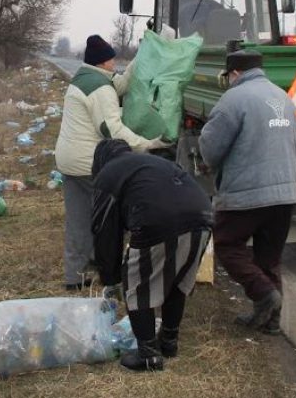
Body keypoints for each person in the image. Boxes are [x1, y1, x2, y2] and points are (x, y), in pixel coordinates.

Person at [198, 50, 296, 334]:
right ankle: (271, 321)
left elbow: (211, 147)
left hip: (246, 193)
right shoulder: (283, 97)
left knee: (228, 245)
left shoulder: (234, 99)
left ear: (235, 73)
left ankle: (264, 294)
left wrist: (210, 164)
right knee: (269, 257)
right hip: (285, 192)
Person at [90, 139, 213, 372]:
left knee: (137, 284)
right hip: (203, 216)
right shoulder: (149, 162)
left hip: (159, 221)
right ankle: (169, 342)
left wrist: (111, 276)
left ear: (99, 161)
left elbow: (104, 231)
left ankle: (148, 354)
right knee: (176, 279)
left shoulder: (107, 175)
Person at [54, 35, 165, 290]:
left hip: (69, 160)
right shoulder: (100, 89)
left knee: (80, 218)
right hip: (88, 164)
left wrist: (144, 51)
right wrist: (147, 145)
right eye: (112, 59)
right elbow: (112, 129)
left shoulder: (86, 78)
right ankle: (96, 277)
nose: (115, 63)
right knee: (104, 221)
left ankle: (79, 272)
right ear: (103, 62)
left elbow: (122, 82)